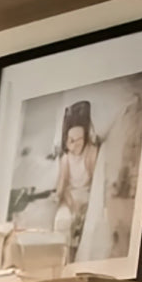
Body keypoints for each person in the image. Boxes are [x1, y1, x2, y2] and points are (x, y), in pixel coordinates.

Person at [52, 101, 99, 257]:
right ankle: (64, 256)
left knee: (83, 225)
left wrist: (85, 205)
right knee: (63, 221)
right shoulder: (66, 159)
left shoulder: (91, 153)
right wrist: (59, 197)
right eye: (71, 140)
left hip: (87, 196)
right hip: (70, 197)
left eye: (79, 140)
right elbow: (62, 183)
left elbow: (95, 182)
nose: (75, 145)